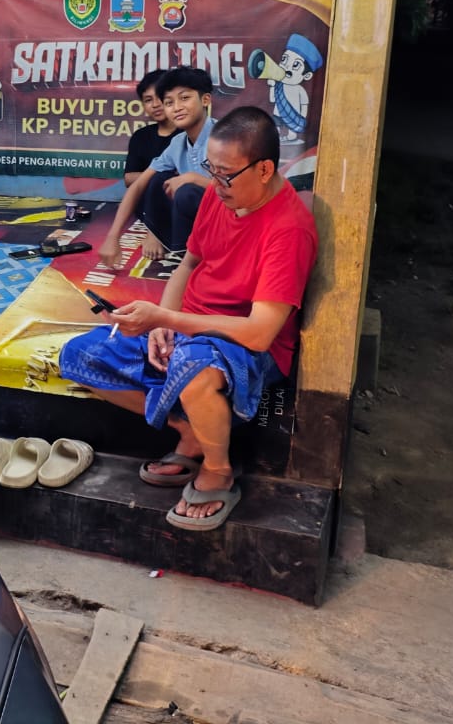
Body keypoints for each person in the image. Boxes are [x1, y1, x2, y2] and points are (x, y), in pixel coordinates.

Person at [60, 107, 317, 531]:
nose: (215, 183)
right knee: (80, 355)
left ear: (265, 169)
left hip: (243, 344)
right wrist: (165, 323)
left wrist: (169, 319)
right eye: (210, 170)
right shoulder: (221, 195)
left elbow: (259, 333)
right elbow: (189, 263)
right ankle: (191, 428)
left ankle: (218, 468)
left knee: (192, 365)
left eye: (225, 174)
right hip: (188, 326)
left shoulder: (289, 230)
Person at [97, 66, 216, 269]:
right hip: (198, 225)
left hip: (229, 224)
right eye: (169, 102)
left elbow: (241, 194)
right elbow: (137, 185)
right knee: (157, 180)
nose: (177, 107)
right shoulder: (178, 143)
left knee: (186, 191)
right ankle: (184, 254)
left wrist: (192, 178)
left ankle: (204, 258)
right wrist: (112, 237)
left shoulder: (225, 136)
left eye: (184, 98)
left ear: (205, 100)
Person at [123, 69, 176, 188]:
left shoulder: (188, 133)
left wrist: (146, 176)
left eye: (160, 97)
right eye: (148, 100)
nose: (155, 104)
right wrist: (169, 176)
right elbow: (129, 178)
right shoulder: (141, 136)